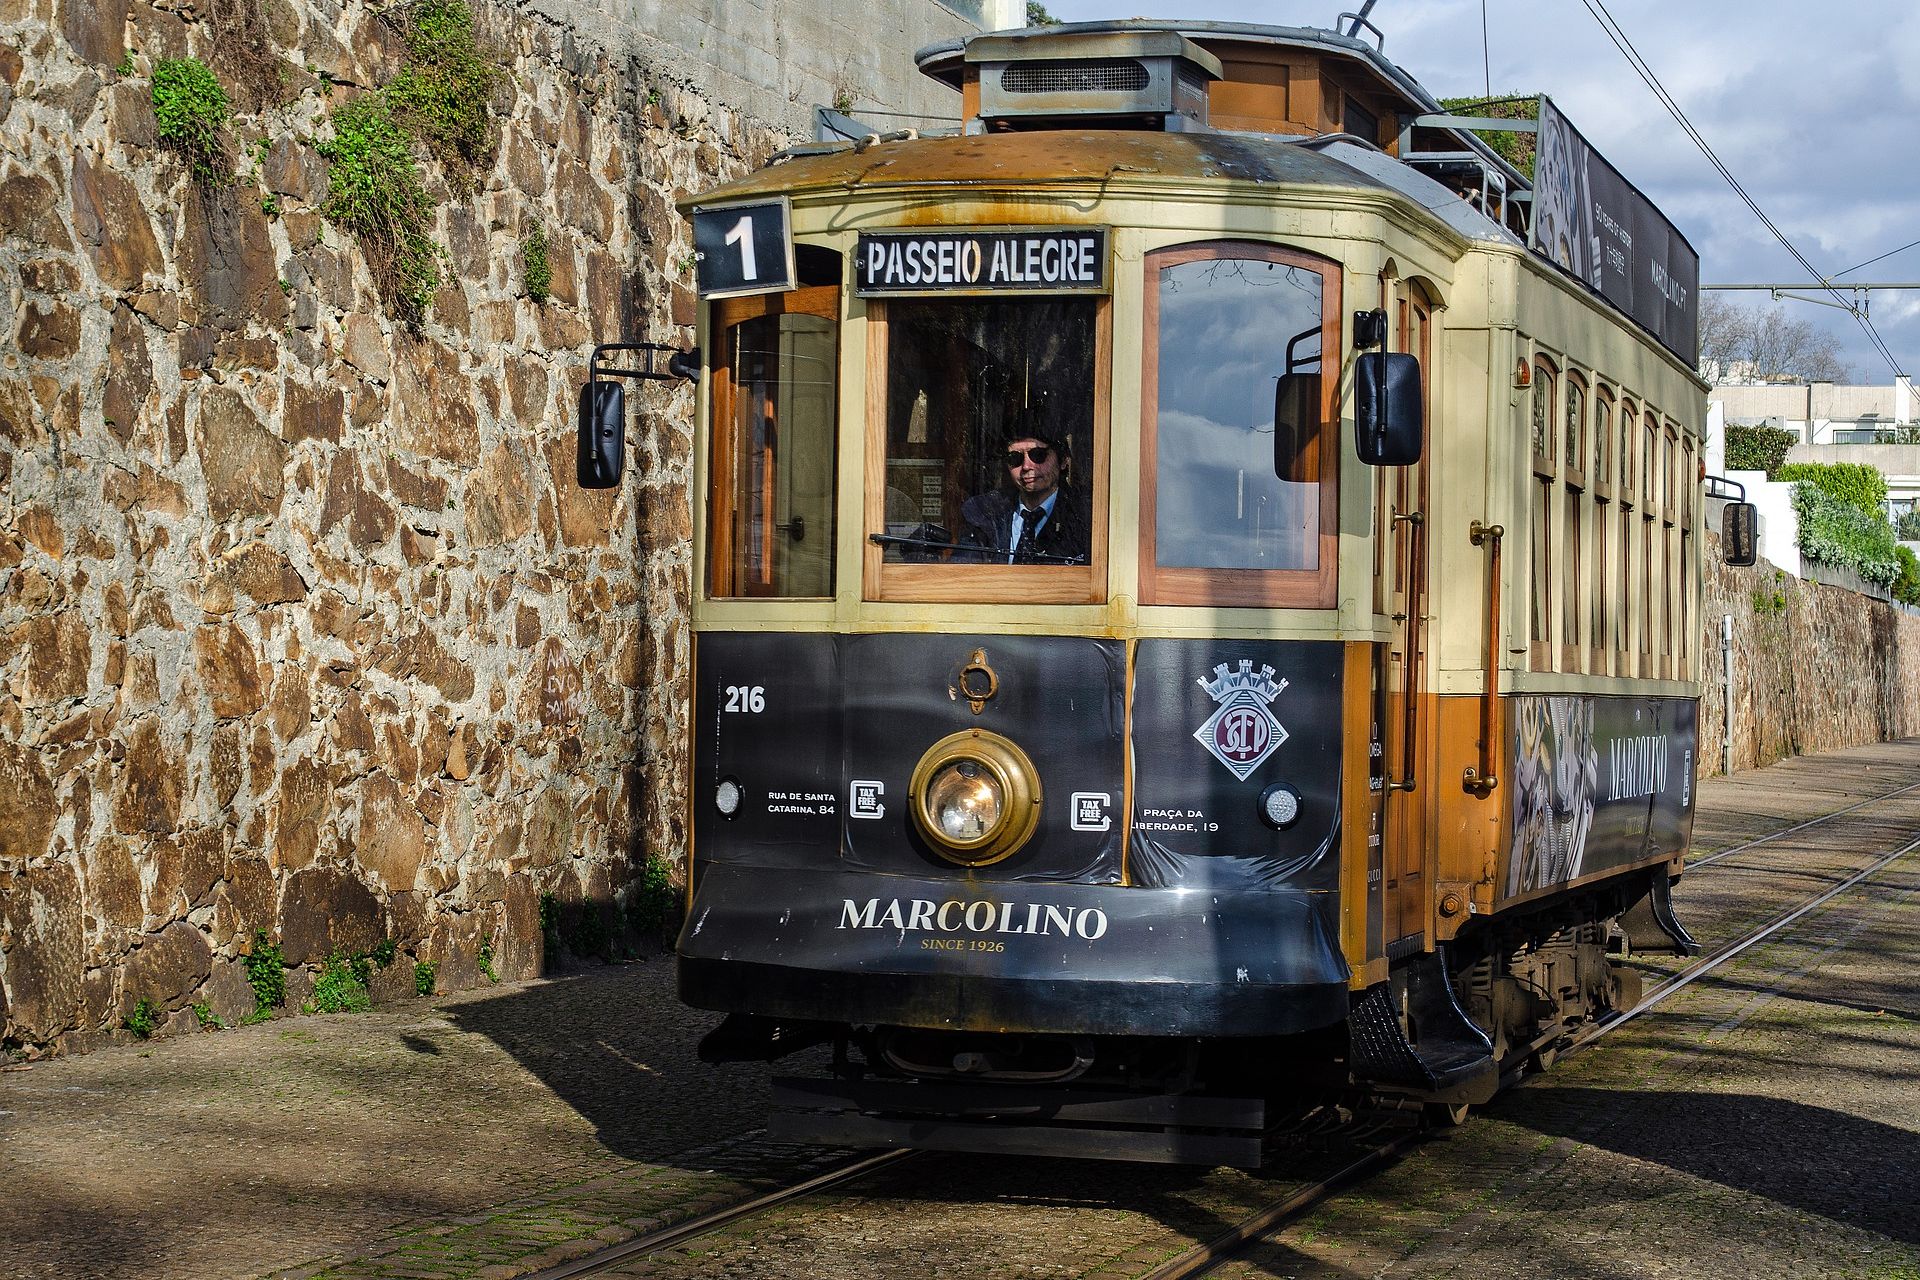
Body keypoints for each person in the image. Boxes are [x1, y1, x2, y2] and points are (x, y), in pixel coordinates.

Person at [958, 422, 1091, 564]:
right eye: (1015, 458)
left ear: (1063, 460)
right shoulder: (983, 512)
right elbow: (963, 569)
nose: (1026, 466)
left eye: (1038, 455)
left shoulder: (1086, 517)